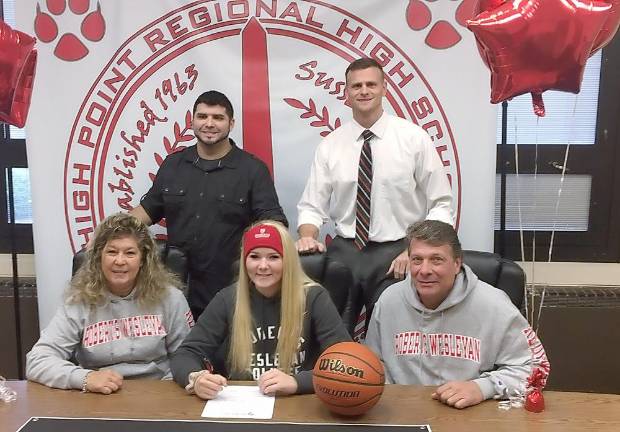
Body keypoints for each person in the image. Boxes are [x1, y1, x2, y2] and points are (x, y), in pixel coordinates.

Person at [296, 57, 453, 329]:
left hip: (397, 253)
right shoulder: (331, 145)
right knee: (330, 336)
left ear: (385, 88)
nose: (364, 91)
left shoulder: (414, 139)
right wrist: (307, 237)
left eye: (371, 84)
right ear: (346, 93)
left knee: (392, 338)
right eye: (356, 86)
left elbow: (441, 203)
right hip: (345, 252)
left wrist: (416, 250)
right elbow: (312, 205)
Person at [131, 90, 287, 319]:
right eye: (202, 117)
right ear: (192, 121)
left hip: (230, 290)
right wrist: (110, 232)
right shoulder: (174, 164)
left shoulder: (252, 170)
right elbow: (147, 210)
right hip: (174, 288)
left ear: (231, 123)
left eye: (218, 117)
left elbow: (273, 222)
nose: (209, 124)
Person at [365, 220, 550, 409]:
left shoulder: (495, 305)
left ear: (456, 264)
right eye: (417, 260)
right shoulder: (388, 301)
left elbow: (537, 367)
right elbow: (371, 365)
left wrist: (482, 388)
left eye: (436, 259)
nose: (424, 270)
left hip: (468, 415)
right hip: (402, 412)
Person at [171, 220, 351, 398]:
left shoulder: (314, 297)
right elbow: (186, 353)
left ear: (287, 260)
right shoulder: (227, 299)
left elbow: (346, 362)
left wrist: (297, 382)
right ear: (244, 261)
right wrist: (196, 378)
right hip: (241, 405)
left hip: (298, 403)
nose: (263, 266)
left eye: (273, 257)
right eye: (254, 256)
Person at [26, 213, 194, 394]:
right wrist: (85, 378)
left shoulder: (171, 298)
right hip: (99, 395)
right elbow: (38, 360)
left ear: (143, 260)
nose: (119, 261)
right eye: (112, 252)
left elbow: (188, 357)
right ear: (99, 257)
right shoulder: (79, 301)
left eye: (130, 253)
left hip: (159, 393)